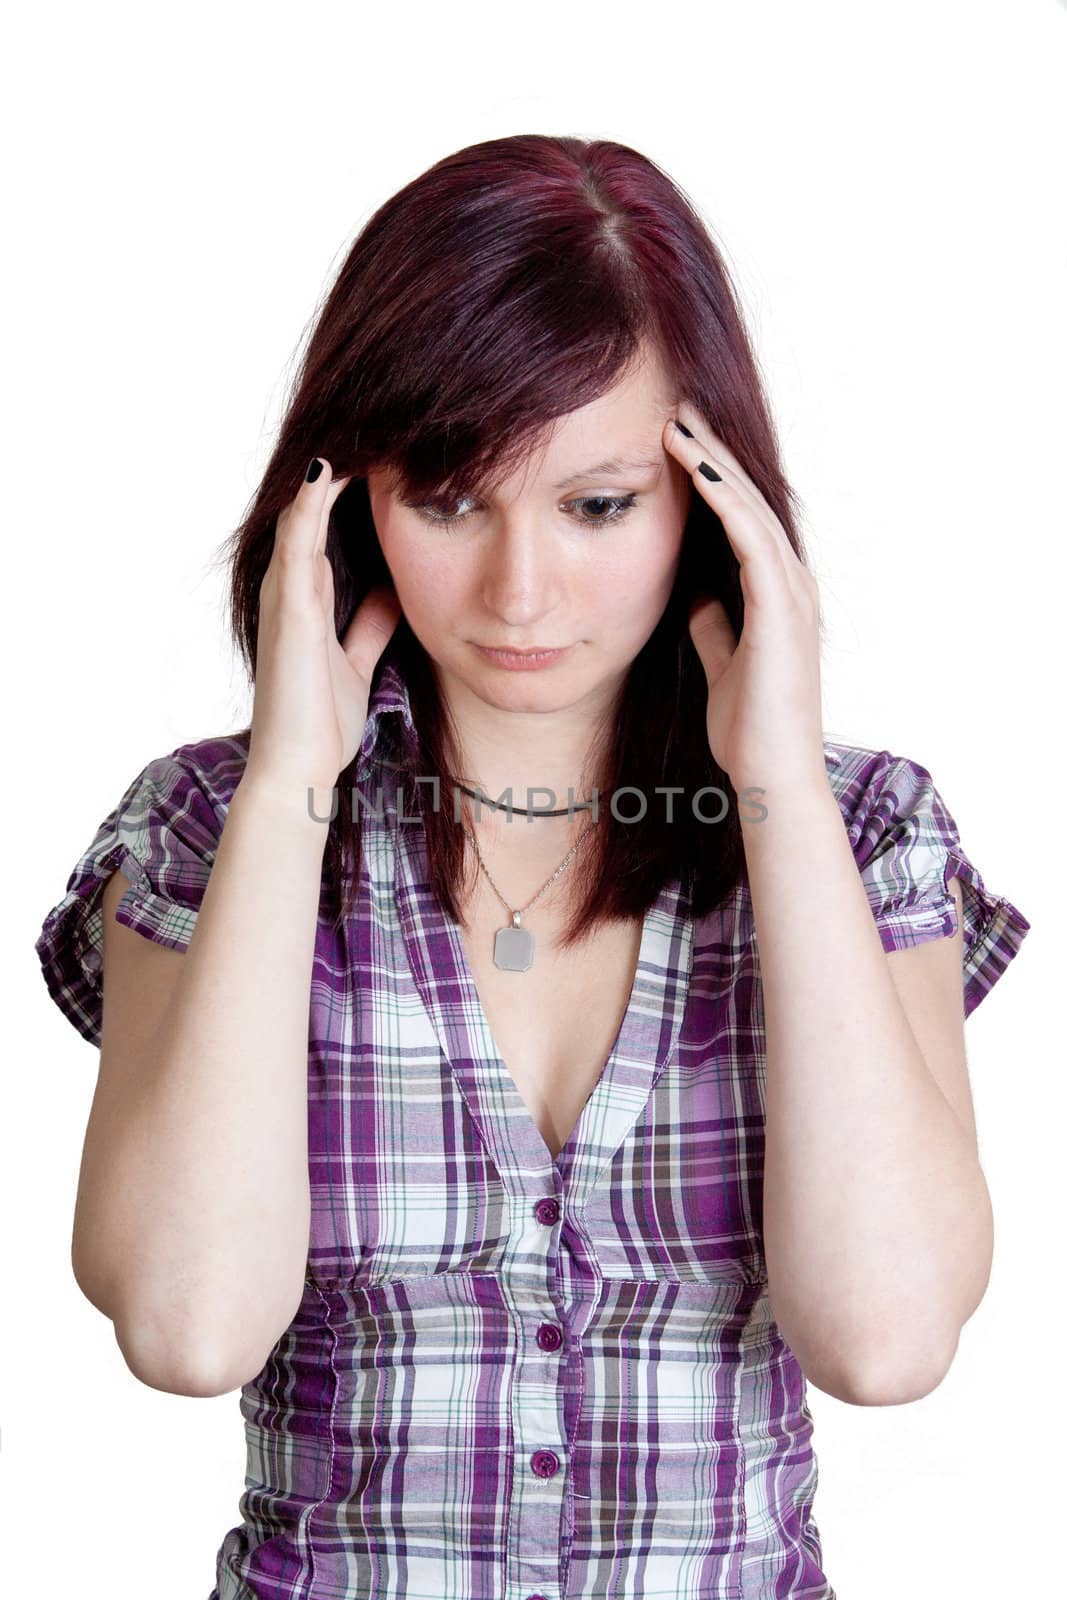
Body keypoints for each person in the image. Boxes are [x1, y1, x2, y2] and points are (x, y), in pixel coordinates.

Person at [34, 134, 1030, 1600]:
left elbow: (885, 1342)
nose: (518, 592)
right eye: (448, 498)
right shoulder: (203, 829)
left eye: (598, 505)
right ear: (344, 495)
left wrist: (773, 787)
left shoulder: (864, 835)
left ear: (711, 498)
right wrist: (294, 789)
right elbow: (186, 1329)